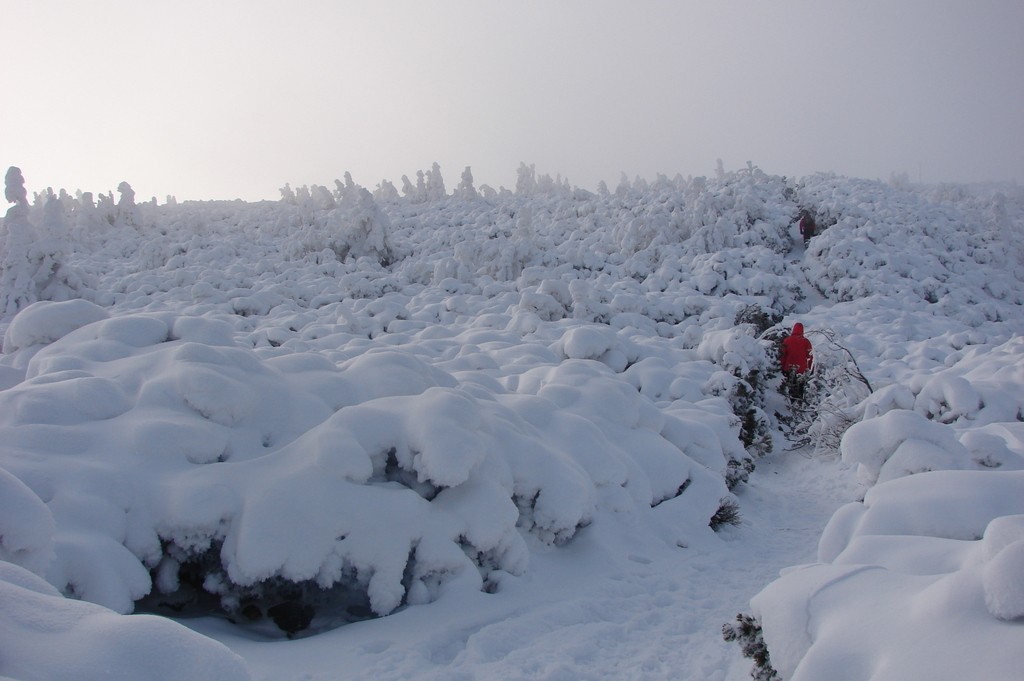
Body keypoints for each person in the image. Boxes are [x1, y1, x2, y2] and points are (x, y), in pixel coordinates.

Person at [781, 322, 813, 400]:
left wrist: (782, 367)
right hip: (801, 370)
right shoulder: (806, 341)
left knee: (789, 387)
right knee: (800, 389)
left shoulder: (786, 340)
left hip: (788, 368)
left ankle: (789, 404)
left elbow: (782, 355)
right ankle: (799, 403)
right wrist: (809, 368)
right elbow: (810, 356)